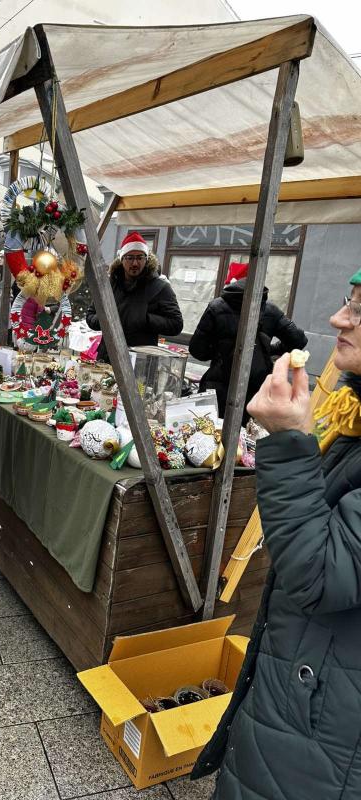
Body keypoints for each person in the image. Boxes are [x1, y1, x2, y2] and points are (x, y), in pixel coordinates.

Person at [193, 273, 361, 798]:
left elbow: (322, 572)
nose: (338, 318)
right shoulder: (353, 415)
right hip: (311, 691)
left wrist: (289, 440)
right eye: (348, 301)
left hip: (326, 726)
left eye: (360, 310)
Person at [189, 262, 307, 419]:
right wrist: (270, 350)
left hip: (219, 385)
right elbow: (298, 340)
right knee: (249, 432)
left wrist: (219, 352)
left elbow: (197, 350)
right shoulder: (271, 310)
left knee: (211, 428)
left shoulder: (216, 307)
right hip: (257, 389)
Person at [86, 232, 183, 362]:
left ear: (146, 259)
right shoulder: (109, 285)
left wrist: (145, 319)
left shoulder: (160, 287)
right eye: (130, 258)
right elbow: (90, 315)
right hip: (107, 357)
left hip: (140, 360)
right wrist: (105, 320)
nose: (135, 263)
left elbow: (176, 324)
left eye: (140, 257)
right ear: (122, 259)